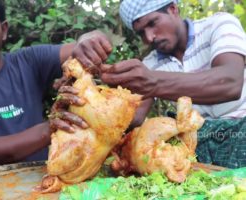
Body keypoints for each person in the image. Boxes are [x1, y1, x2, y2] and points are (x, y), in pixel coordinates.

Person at [0, 0, 112, 173]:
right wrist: (50, 127)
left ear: (3, 30)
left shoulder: (29, 61)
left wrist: (88, 41)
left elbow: (86, 45)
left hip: (39, 179)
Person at [96, 0, 246, 168]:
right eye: (141, 33)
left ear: (173, 9)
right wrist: (102, 96)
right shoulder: (150, 63)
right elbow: (135, 117)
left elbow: (230, 82)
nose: (149, 37)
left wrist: (153, 82)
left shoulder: (218, 25)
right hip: (197, 144)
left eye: (153, 23)